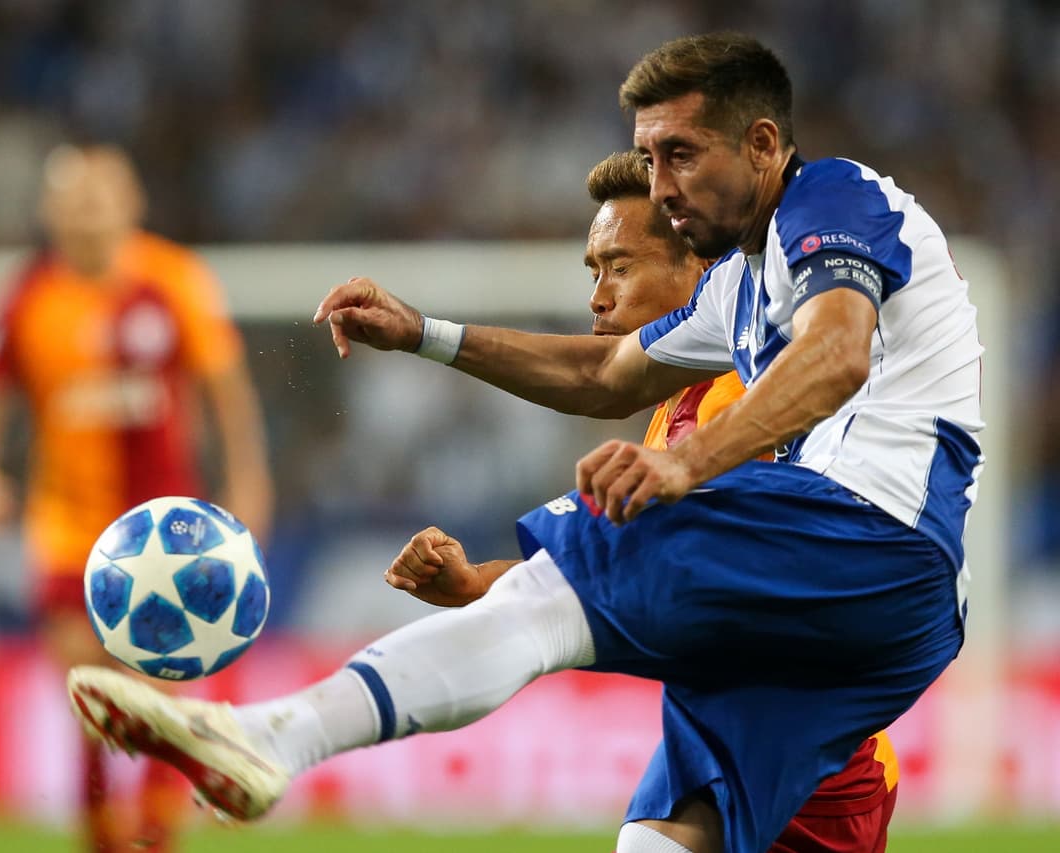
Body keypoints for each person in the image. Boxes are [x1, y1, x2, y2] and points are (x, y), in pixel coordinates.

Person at [66, 33, 982, 853]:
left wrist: (684, 463)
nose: (662, 186)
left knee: (556, 589)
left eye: (681, 154)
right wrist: (424, 331)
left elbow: (836, 353)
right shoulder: (732, 293)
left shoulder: (834, 198)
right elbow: (603, 375)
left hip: (874, 533)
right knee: (661, 835)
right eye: (648, 157)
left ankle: (274, 737)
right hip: (865, 623)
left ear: (763, 145)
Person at [384, 149, 899, 853]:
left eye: (619, 268)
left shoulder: (742, 403)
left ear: (700, 270)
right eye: (594, 271)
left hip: (804, 742)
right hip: (749, 724)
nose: (598, 296)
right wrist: (479, 583)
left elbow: (656, 579)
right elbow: (613, 561)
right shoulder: (683, 406)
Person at [0, 144, 273, 853]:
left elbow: (228, 394)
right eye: (74, 199)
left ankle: (152, 836)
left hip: (163, 529)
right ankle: (101, 834)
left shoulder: (176, 278)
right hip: (66, 522)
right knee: (91, 696)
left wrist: (249, 482)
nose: (88, 212)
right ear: (48, 212)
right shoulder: (23, 295)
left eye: (102, 196)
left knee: (153, 693)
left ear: (133, 204)